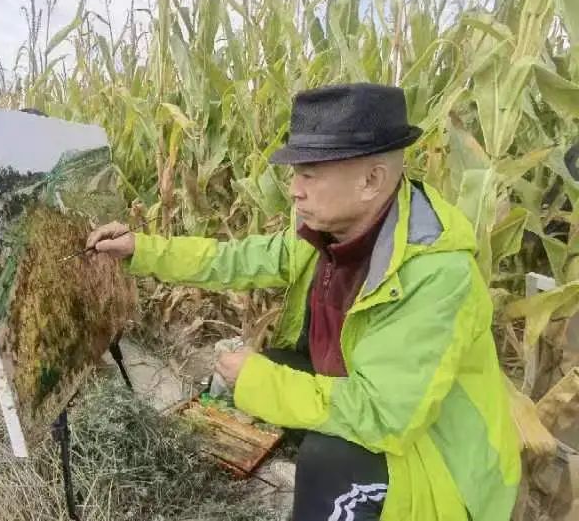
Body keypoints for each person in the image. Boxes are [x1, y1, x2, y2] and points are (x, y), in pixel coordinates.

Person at [86, 84, 521, 521]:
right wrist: (140, 248)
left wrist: (257, 381)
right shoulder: (329, 234)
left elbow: (383, 417)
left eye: (308, 175)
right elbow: (237, 258)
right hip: (373, 401)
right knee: (279, 363)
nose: (293, 190)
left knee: (327, 459)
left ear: (371, 180)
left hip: (438, 461)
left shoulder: (435, 273)